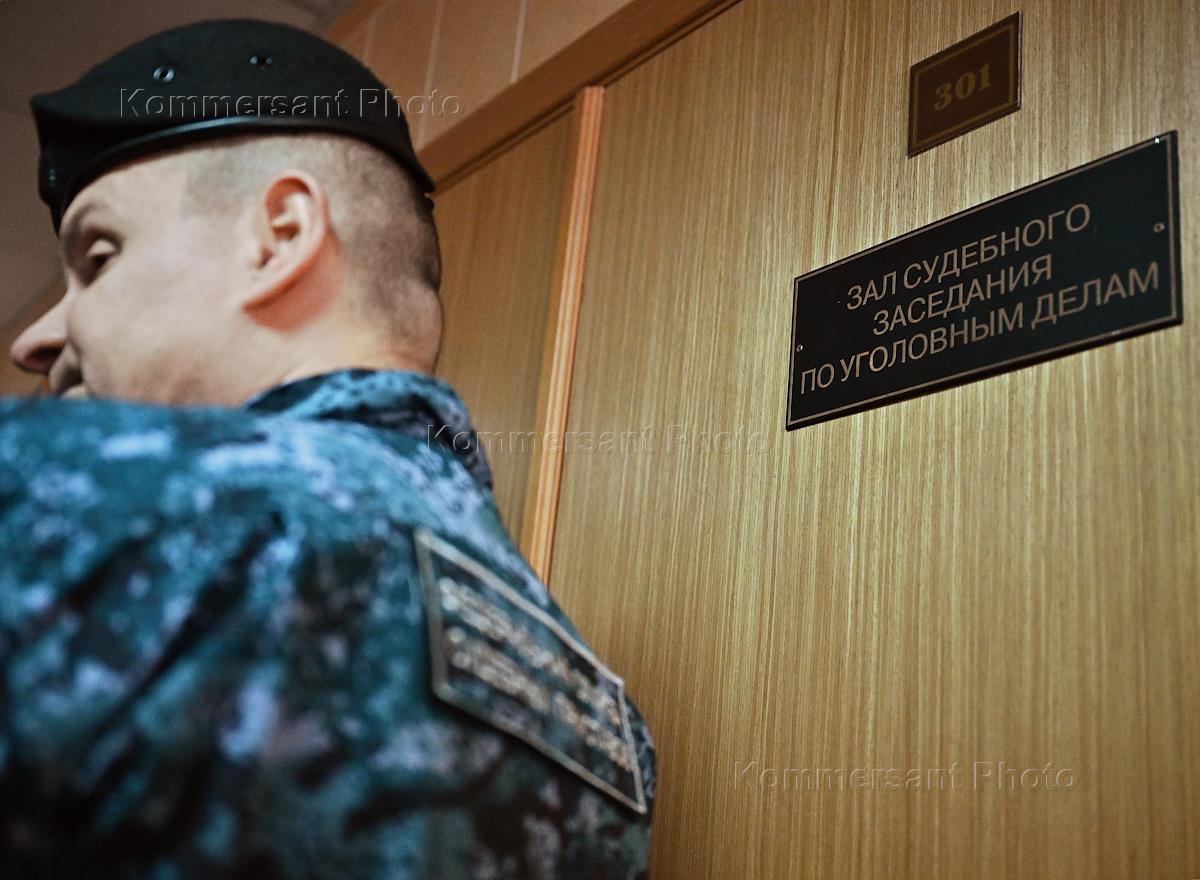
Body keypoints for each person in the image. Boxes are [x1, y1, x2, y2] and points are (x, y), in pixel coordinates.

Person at [0, 18, 654, 879]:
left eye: (98, 254)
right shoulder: (605, 726)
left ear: (279, 236)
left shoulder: (73, 497)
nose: (36, 339)